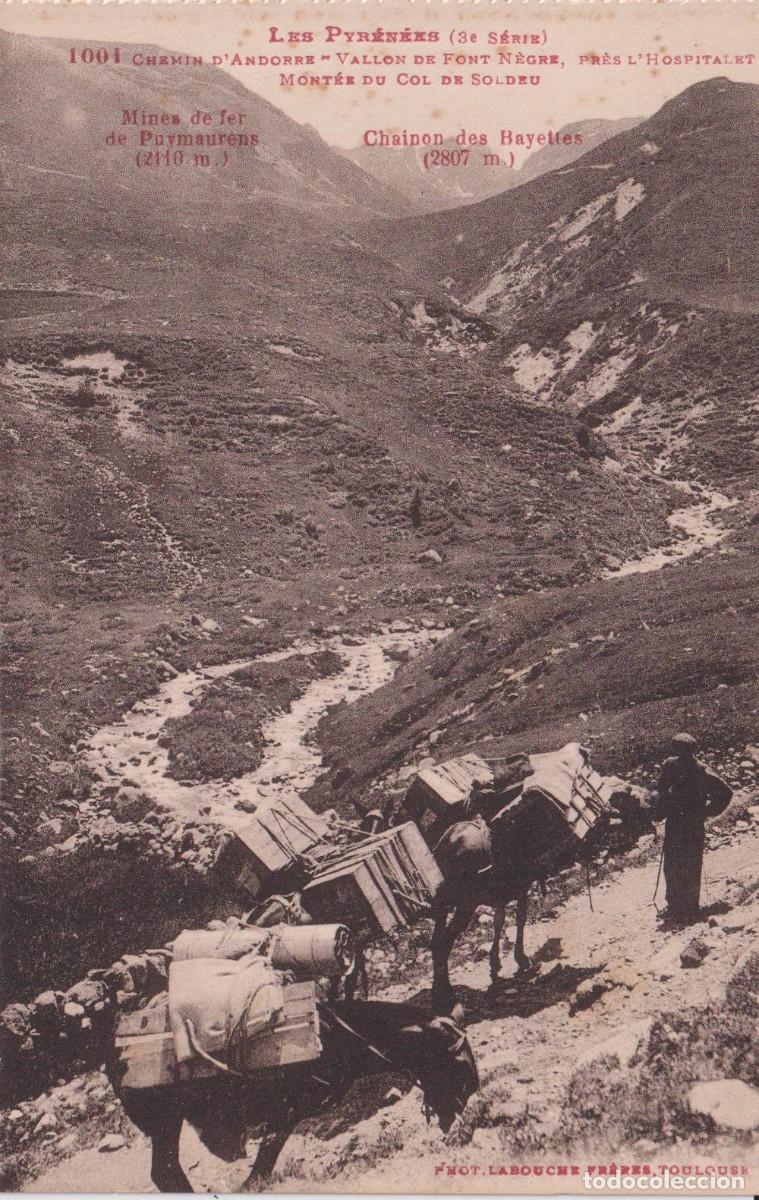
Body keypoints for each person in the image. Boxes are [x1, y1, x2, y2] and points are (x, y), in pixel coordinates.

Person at [654, 733, 732, 925]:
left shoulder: (702, 771)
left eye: (685, 751)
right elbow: (662, 789)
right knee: (672, 864)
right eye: (678, 750)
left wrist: (708, 811)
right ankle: (673, 905)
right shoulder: (670, 766)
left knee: (691, 863)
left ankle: (690, 907)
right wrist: (660, 811)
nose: (682, 755)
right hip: (674, 823)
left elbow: (726, 793)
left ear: (691, 751)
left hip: (692, 825)